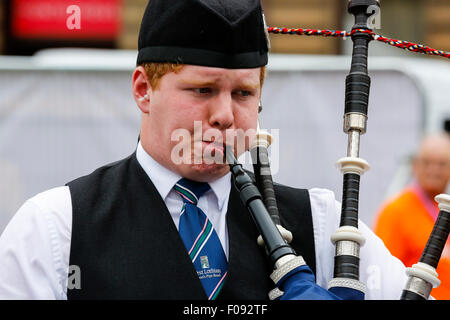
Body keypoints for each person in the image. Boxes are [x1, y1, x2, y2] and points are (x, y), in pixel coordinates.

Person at [0, 0, 408, 300]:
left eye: (244, 93)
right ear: (144, 90)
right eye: (203, 90)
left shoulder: (325, 229)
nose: (225, 116)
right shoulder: (55, 229)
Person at [373, 133, 450, 299]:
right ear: (415, 166)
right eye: (427, 163)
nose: (433, 170)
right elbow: (382, 273)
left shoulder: (445, 208)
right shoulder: (396, 211)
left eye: (441, 164)